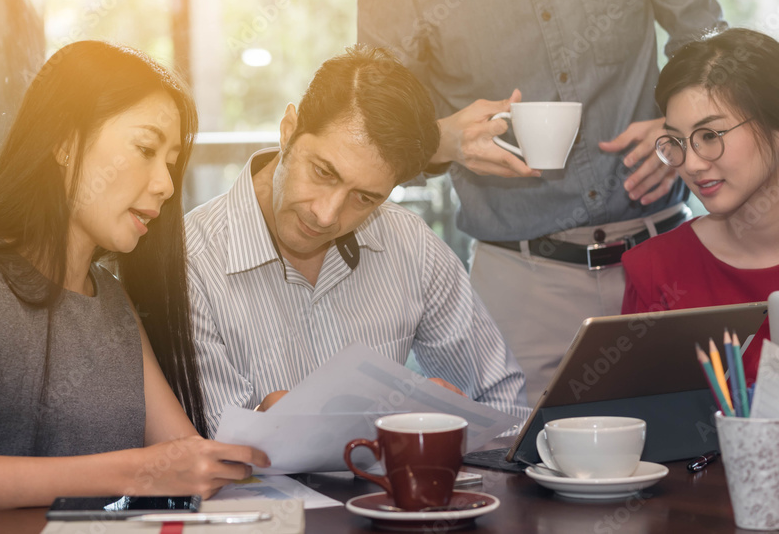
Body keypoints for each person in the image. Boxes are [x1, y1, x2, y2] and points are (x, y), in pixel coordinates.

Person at [358, 0, 725, 402]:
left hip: (667, 258)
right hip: (517, 288)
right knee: (509, 470)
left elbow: (708, 42)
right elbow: (373, 125)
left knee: (693, 462)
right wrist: (443, 142)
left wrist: (681, 127)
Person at [0, 41, 268, 523]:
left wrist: (270, 433)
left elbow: (182, 459)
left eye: (170, 161)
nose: (166, 184)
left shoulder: (112, 299)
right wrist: (130, 473)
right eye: (146, 148)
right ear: (63, 141)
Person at [186, 45, 529, 438]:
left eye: (364, 198)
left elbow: (505, 407)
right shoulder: (191, 262)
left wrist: (444, 424)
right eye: (323, 172)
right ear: (288, 131)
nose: (327, 214)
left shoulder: (409, 244)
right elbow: (207, 450)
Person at [621, 28, 779, 383]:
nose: (690, 164)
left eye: (710, 136)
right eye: (677, 141)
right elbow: (651, 421)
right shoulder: (656, 271)